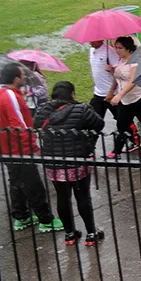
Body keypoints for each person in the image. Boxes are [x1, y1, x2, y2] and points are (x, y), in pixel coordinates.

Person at [34, 81, 105, 246]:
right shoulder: (82, 110)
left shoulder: (43, 111)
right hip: (78, 159)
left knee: (62, 197)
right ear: (72, 94)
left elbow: (36, 125)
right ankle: (91, 233)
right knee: (82, 196)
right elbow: (99, 124)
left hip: (54, 161)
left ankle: (69, 233)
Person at [0, 64, 62, 232]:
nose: (24, 79)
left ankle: (21, 216)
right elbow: (19, 125)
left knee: (16, 182)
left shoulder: (4, 94)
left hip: (7, 149)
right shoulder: (11, 97)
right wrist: (33, 146)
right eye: (22, 76)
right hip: (19, 149)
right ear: (16, 79)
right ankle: (46, 219)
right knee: (33, 184)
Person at [87, 40, 139, 151]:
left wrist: (112, 92)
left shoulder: (110, 52)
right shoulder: (92, 51)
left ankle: (133, 140)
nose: (90, 42)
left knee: (122, 121)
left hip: (112, 94)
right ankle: (89, 149)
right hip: (98, 94)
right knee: (94, 121)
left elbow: (118, 73)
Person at [106, 36, 141, 159]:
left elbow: (133, 81)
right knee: (122, 126)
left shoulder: (134, 62)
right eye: (115, 47)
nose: (117, 50)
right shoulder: (120, 61)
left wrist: (119, 95)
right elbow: (119, 78)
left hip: (136, 99)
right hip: (125, 100)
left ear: (128, 48)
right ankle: (116, 151)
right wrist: (111, 72)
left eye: (120, 48)